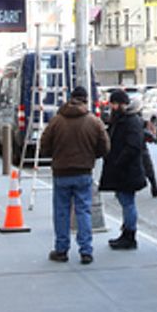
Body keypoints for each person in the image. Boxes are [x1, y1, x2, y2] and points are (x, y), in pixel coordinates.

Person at [38, 87, 109, 264]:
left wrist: (55, 155)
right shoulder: (94, 121)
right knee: (83, 211)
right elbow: (105, 146)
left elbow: (44, 144)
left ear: (70, 99)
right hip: (83, 172)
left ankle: (61, 250)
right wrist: (91, 156)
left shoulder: (57, 120)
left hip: (61, 172)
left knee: (61, 212)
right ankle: (86, 251)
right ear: (85, 100)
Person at [99, 89, 147, 250]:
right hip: (124, 170)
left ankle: (129, 235)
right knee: (125, 201)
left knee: (127, 203)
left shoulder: (129, 121)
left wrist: (118, 162)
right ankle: (126, 232)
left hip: (126, 170)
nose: (111, 107)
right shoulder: (123, 119)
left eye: (113, 104)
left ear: (120, 104)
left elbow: (133, 146)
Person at [141, 109, 157, 198]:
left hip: (137, 147)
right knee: (148, 168)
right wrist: (153, 137)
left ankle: (155, 188)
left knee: (148, 168)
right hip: (138, 148)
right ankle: (154, 188)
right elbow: (143, 132)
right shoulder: (134, 120)